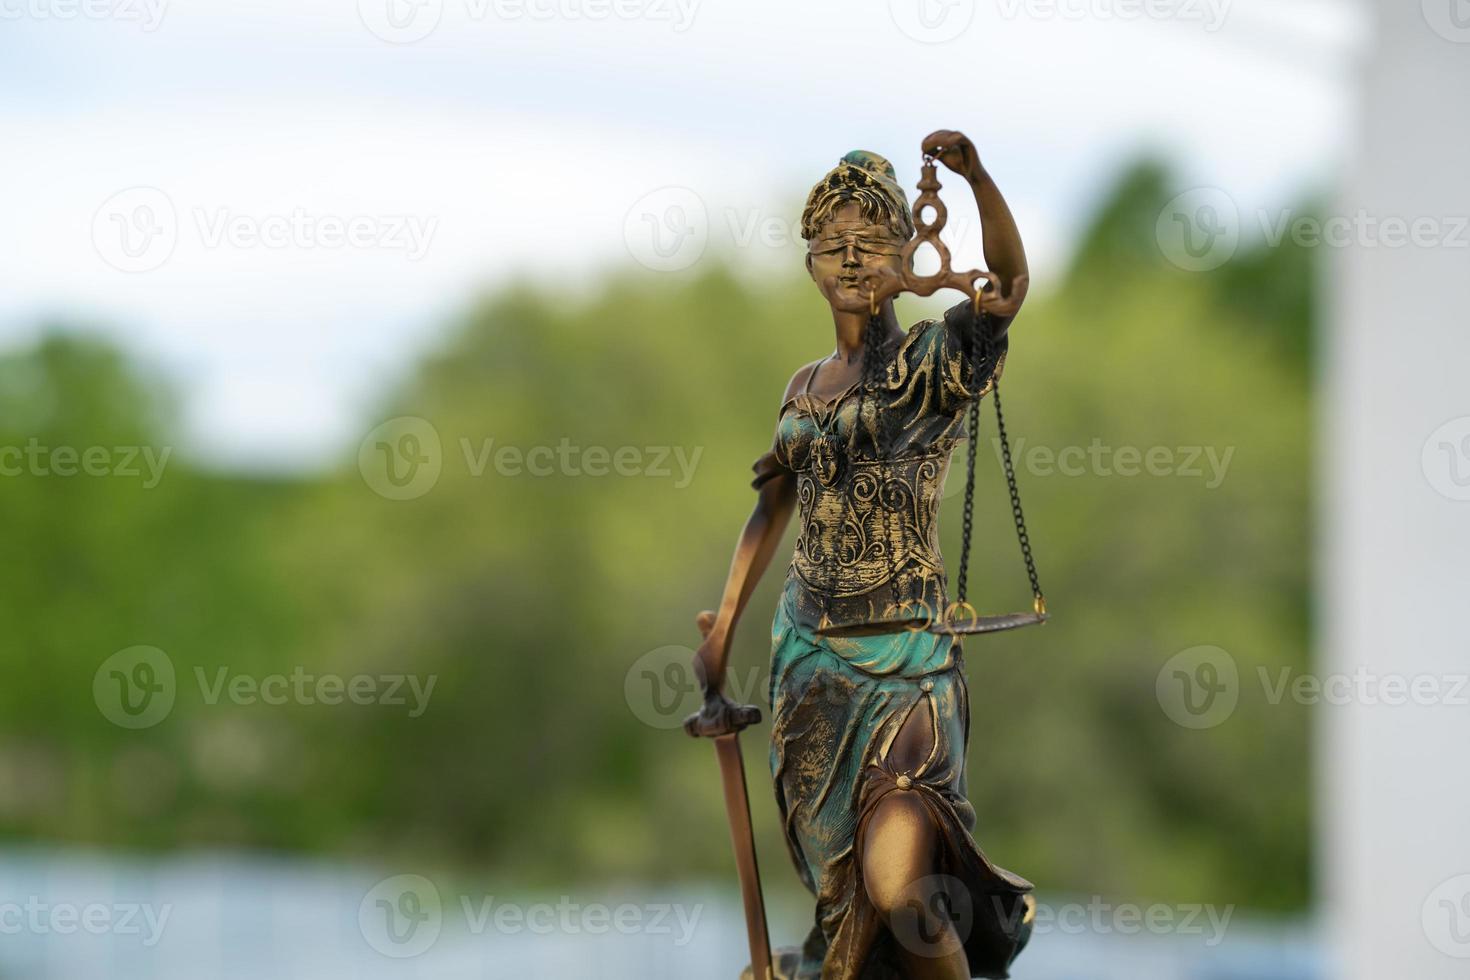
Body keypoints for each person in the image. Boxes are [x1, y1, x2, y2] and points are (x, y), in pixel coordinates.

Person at [686, 131, 1035, 980]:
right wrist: (721, 631)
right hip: (810, 670)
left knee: (903, 886)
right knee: (849, 911)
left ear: (908, 253)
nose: (851, 259)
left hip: (906, 668)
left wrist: (978, 179)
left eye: (872, 242)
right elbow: (774, 498)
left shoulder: (928, 363)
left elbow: (1009, 287)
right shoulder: (804, 388)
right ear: (810, 263)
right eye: (832, 244)